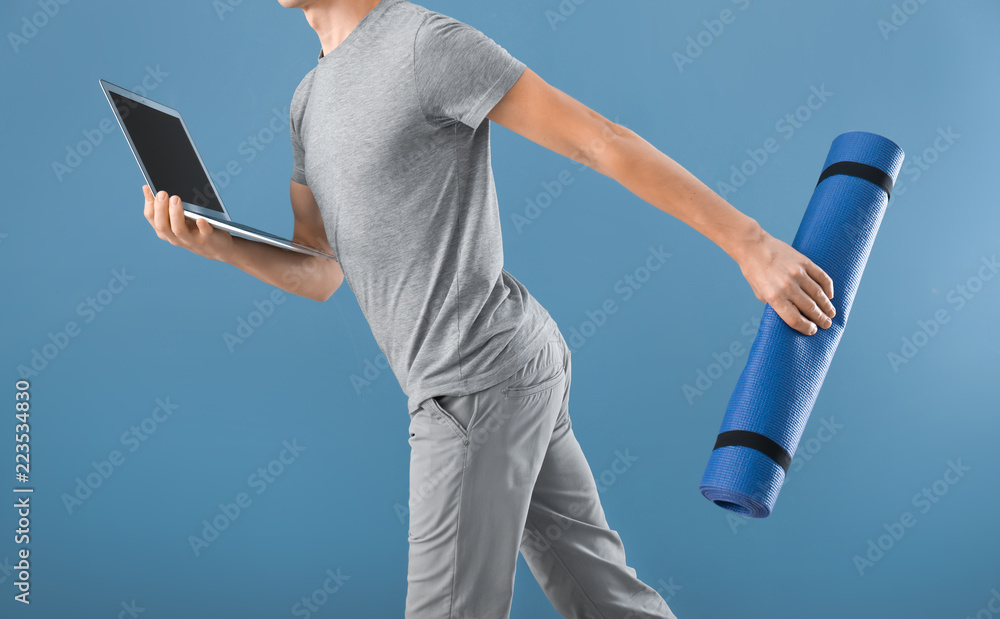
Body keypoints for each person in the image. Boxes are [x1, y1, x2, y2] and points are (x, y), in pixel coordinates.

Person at [141, 1, 837, 616]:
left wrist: (750, 244)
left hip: (473, 381)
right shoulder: (307, 100)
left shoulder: (425, 45)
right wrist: (217, 244)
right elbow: (320, 269)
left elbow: (600, 139)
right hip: (503, 369)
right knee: (604, 600)